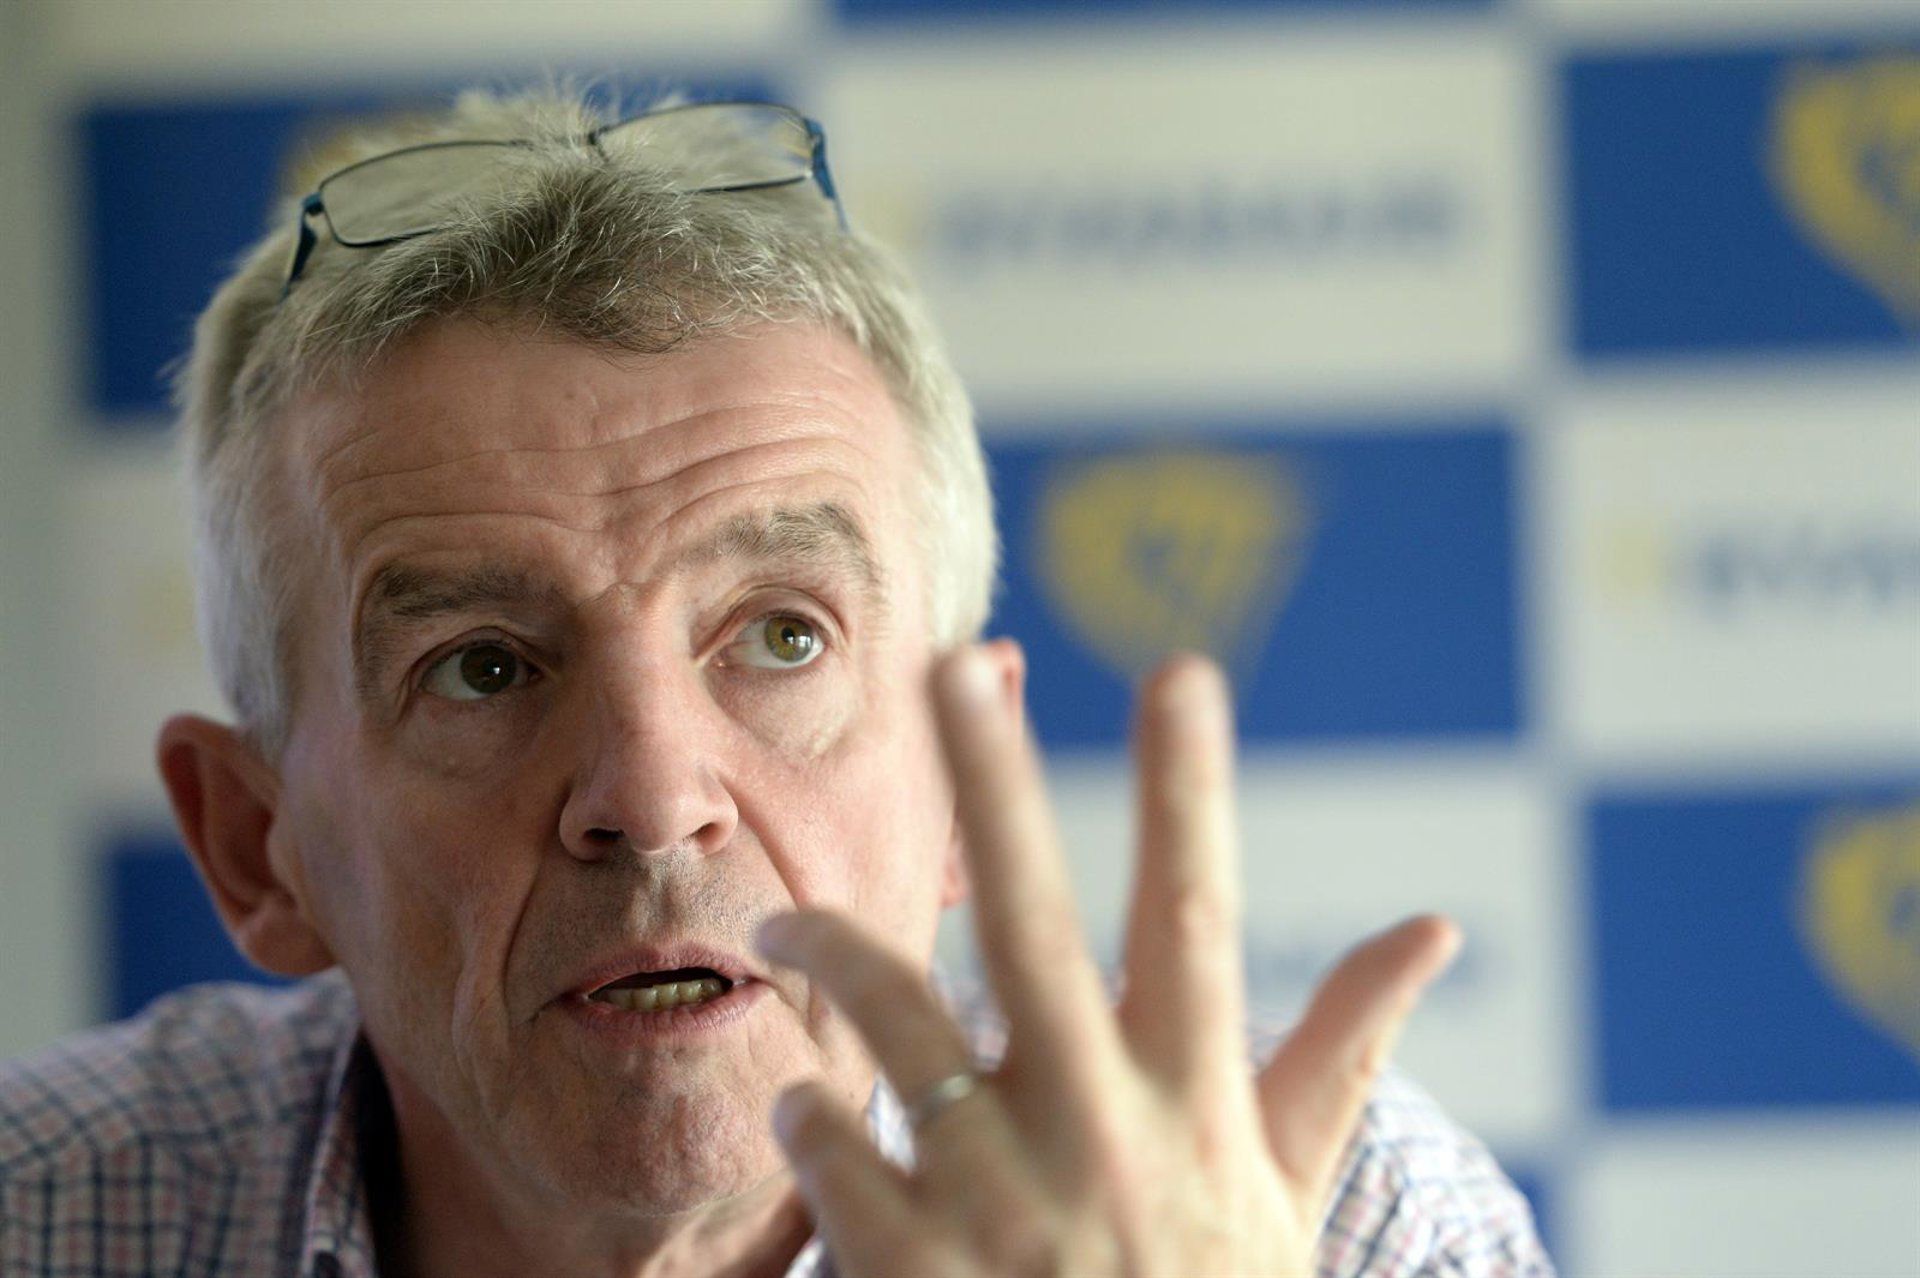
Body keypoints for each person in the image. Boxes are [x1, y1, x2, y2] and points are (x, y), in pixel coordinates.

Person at [0, 88, 1551, 1277]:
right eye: (480, 666)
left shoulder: (1318, 1219)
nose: (652, 797)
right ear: (255, 846)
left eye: (784, 635)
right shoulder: (45, 1209)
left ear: (968, 775)